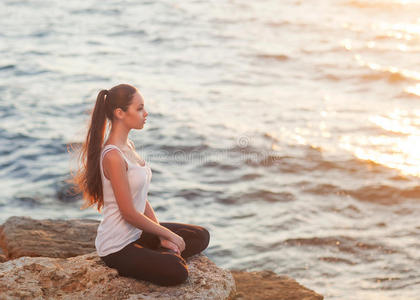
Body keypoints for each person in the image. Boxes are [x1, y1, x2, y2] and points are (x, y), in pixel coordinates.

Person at [71, 83, 210, 286]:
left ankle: (160, 253)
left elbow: (141, 197)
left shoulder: (128, 146)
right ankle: (163, 256)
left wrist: (160, 233)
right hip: (117, 246)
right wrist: (168, 235)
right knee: (177, 271)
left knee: (200, 236)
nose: (146, 113)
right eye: (139, 108)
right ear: (120, 113)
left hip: (136, 234)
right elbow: (128, 213)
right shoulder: (113, 156)